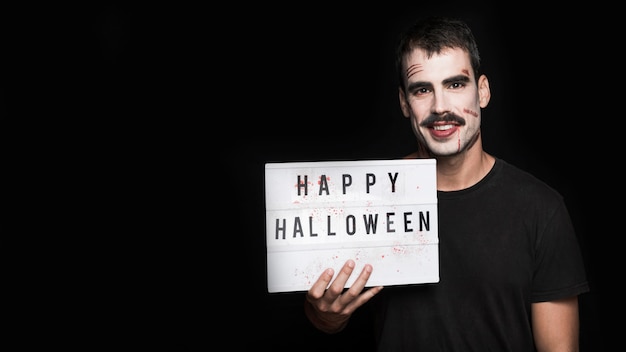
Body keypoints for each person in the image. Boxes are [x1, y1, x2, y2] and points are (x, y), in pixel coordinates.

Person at [303, 16, 589, 351]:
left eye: (455, 85)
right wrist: (326, 313)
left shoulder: (542, 209)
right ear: (404, 103)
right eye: (422, 90)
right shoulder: (367, 198)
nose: (440, 107)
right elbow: (325, 317)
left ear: (482, 91)